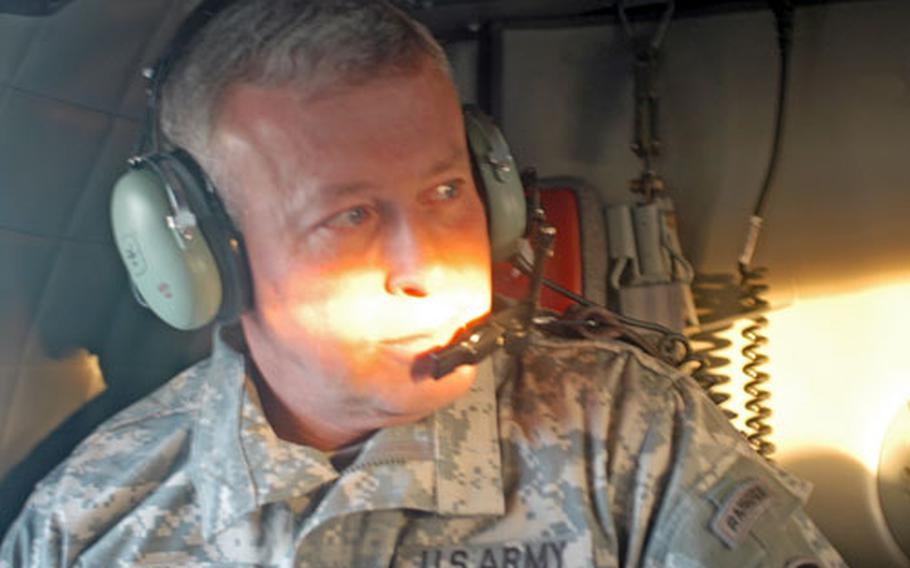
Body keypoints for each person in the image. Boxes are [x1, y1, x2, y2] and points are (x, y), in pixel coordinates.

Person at [1, 1, 847, 567]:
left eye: (448, 193)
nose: (431, 269)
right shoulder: (88, 521)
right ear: (204, 260)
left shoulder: (630, 433)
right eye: (352, 218)